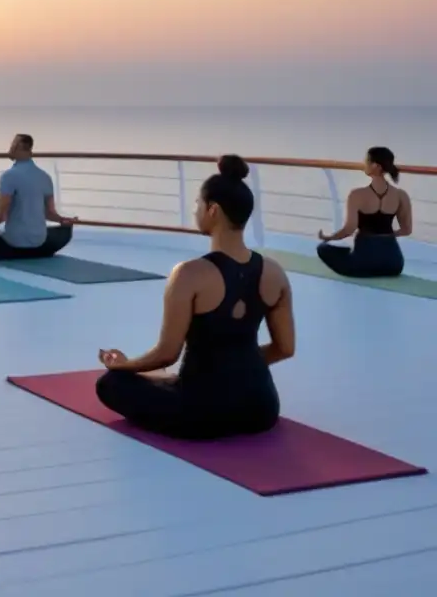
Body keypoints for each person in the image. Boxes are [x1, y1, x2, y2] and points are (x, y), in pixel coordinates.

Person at [95, 155, 295, 440]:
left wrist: (122, 366)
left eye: (198, 204)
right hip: (260, 408)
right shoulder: (275, 273)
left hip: (201, 413)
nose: (195, 210)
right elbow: (285, 348)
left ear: (213, 210)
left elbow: (167, 353)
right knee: (179, 382)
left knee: (110, 384)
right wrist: (239, 367)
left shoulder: (189, 274)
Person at [0, 133, 78, 259]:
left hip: (14, 244)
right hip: (39, 244)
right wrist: (63, 220)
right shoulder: (45, 177)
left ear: (17, 146)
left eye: (12, 145)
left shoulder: (8, 176)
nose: (9, 149)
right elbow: (49, 213)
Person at [317, 146, 412, 278]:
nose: (364, 164)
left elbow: (349, 229)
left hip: (365, 262)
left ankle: (349, 253)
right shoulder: (401, 195)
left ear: (376, 166)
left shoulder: (357, 195)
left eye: (367, 160)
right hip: (394, 263)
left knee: (323, 248)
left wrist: (329, 238)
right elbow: (407, 230)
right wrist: (385, 236)